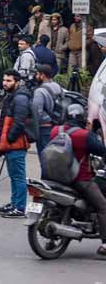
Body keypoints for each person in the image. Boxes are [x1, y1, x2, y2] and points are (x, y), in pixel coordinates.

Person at [50, 104, 106, 258]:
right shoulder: (84, 135)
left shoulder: (55, 130)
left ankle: (52, 239)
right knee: (102, 206)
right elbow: (101, 150)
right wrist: (91, 131)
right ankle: (105, 244)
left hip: (54, 177)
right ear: (82, 118)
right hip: (79, 180)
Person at [0, 69, 32, 218]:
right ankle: (15, 203)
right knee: (14, 175)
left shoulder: (20, 98)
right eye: (4, 80)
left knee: (18, 176)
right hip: (11, 143)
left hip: (16, 144)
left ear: (17, 82)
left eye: (9, 81)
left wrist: (9, 139)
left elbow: (19, 122)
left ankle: (20, 207)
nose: (5, 83)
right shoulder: (13, 96)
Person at [31, 64, 63, 174]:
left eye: (37, 74)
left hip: (44, 128)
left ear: (43, 75)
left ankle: (46, 180)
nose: (35, 76)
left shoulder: (39, 92)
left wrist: (34, 132)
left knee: (44, 157)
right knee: (53, 156)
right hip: (56, 126)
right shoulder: (57, 86)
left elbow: (36, 112)